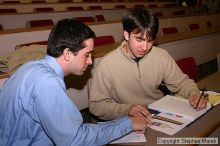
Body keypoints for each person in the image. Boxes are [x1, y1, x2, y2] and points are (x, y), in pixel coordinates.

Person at [0, 19, 149, 146]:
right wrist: (128, 124)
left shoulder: (30, 66)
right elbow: (74, 140)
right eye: (87, 55)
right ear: (67, 54)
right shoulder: (47, 82)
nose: (90, 61)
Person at [89, 8, 208, 121]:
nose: (145, 47)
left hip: (158, 112)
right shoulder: (107, 64)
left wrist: (194, 94)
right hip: (128, 119)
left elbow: (182, 82)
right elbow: (96, 106)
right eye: (139, 40)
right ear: (126, 35)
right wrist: (127, 110)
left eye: (150, 41)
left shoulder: (161, 56)